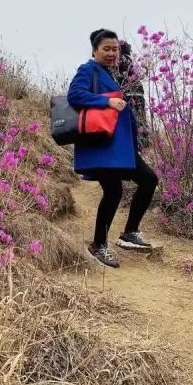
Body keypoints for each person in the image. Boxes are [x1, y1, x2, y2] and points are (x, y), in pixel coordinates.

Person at [67, 29, 159, 268]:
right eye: (106, 49)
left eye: (114, 49)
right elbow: (75, 95)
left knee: (149, 180)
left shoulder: (115, 74)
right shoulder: (88, 69)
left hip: (119, 146)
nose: (111, 53)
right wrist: (106, 101)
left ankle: (129, 232)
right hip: (102, 144)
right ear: (95, 51)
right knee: (114, 192)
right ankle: (99, 244)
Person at [114, 40, 150, 149]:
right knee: (139, 119)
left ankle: (140, 144)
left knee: (135, 120)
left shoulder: (123, 59)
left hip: (131, 95)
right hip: (136, 94)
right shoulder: (131, 61)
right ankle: (142, 143)